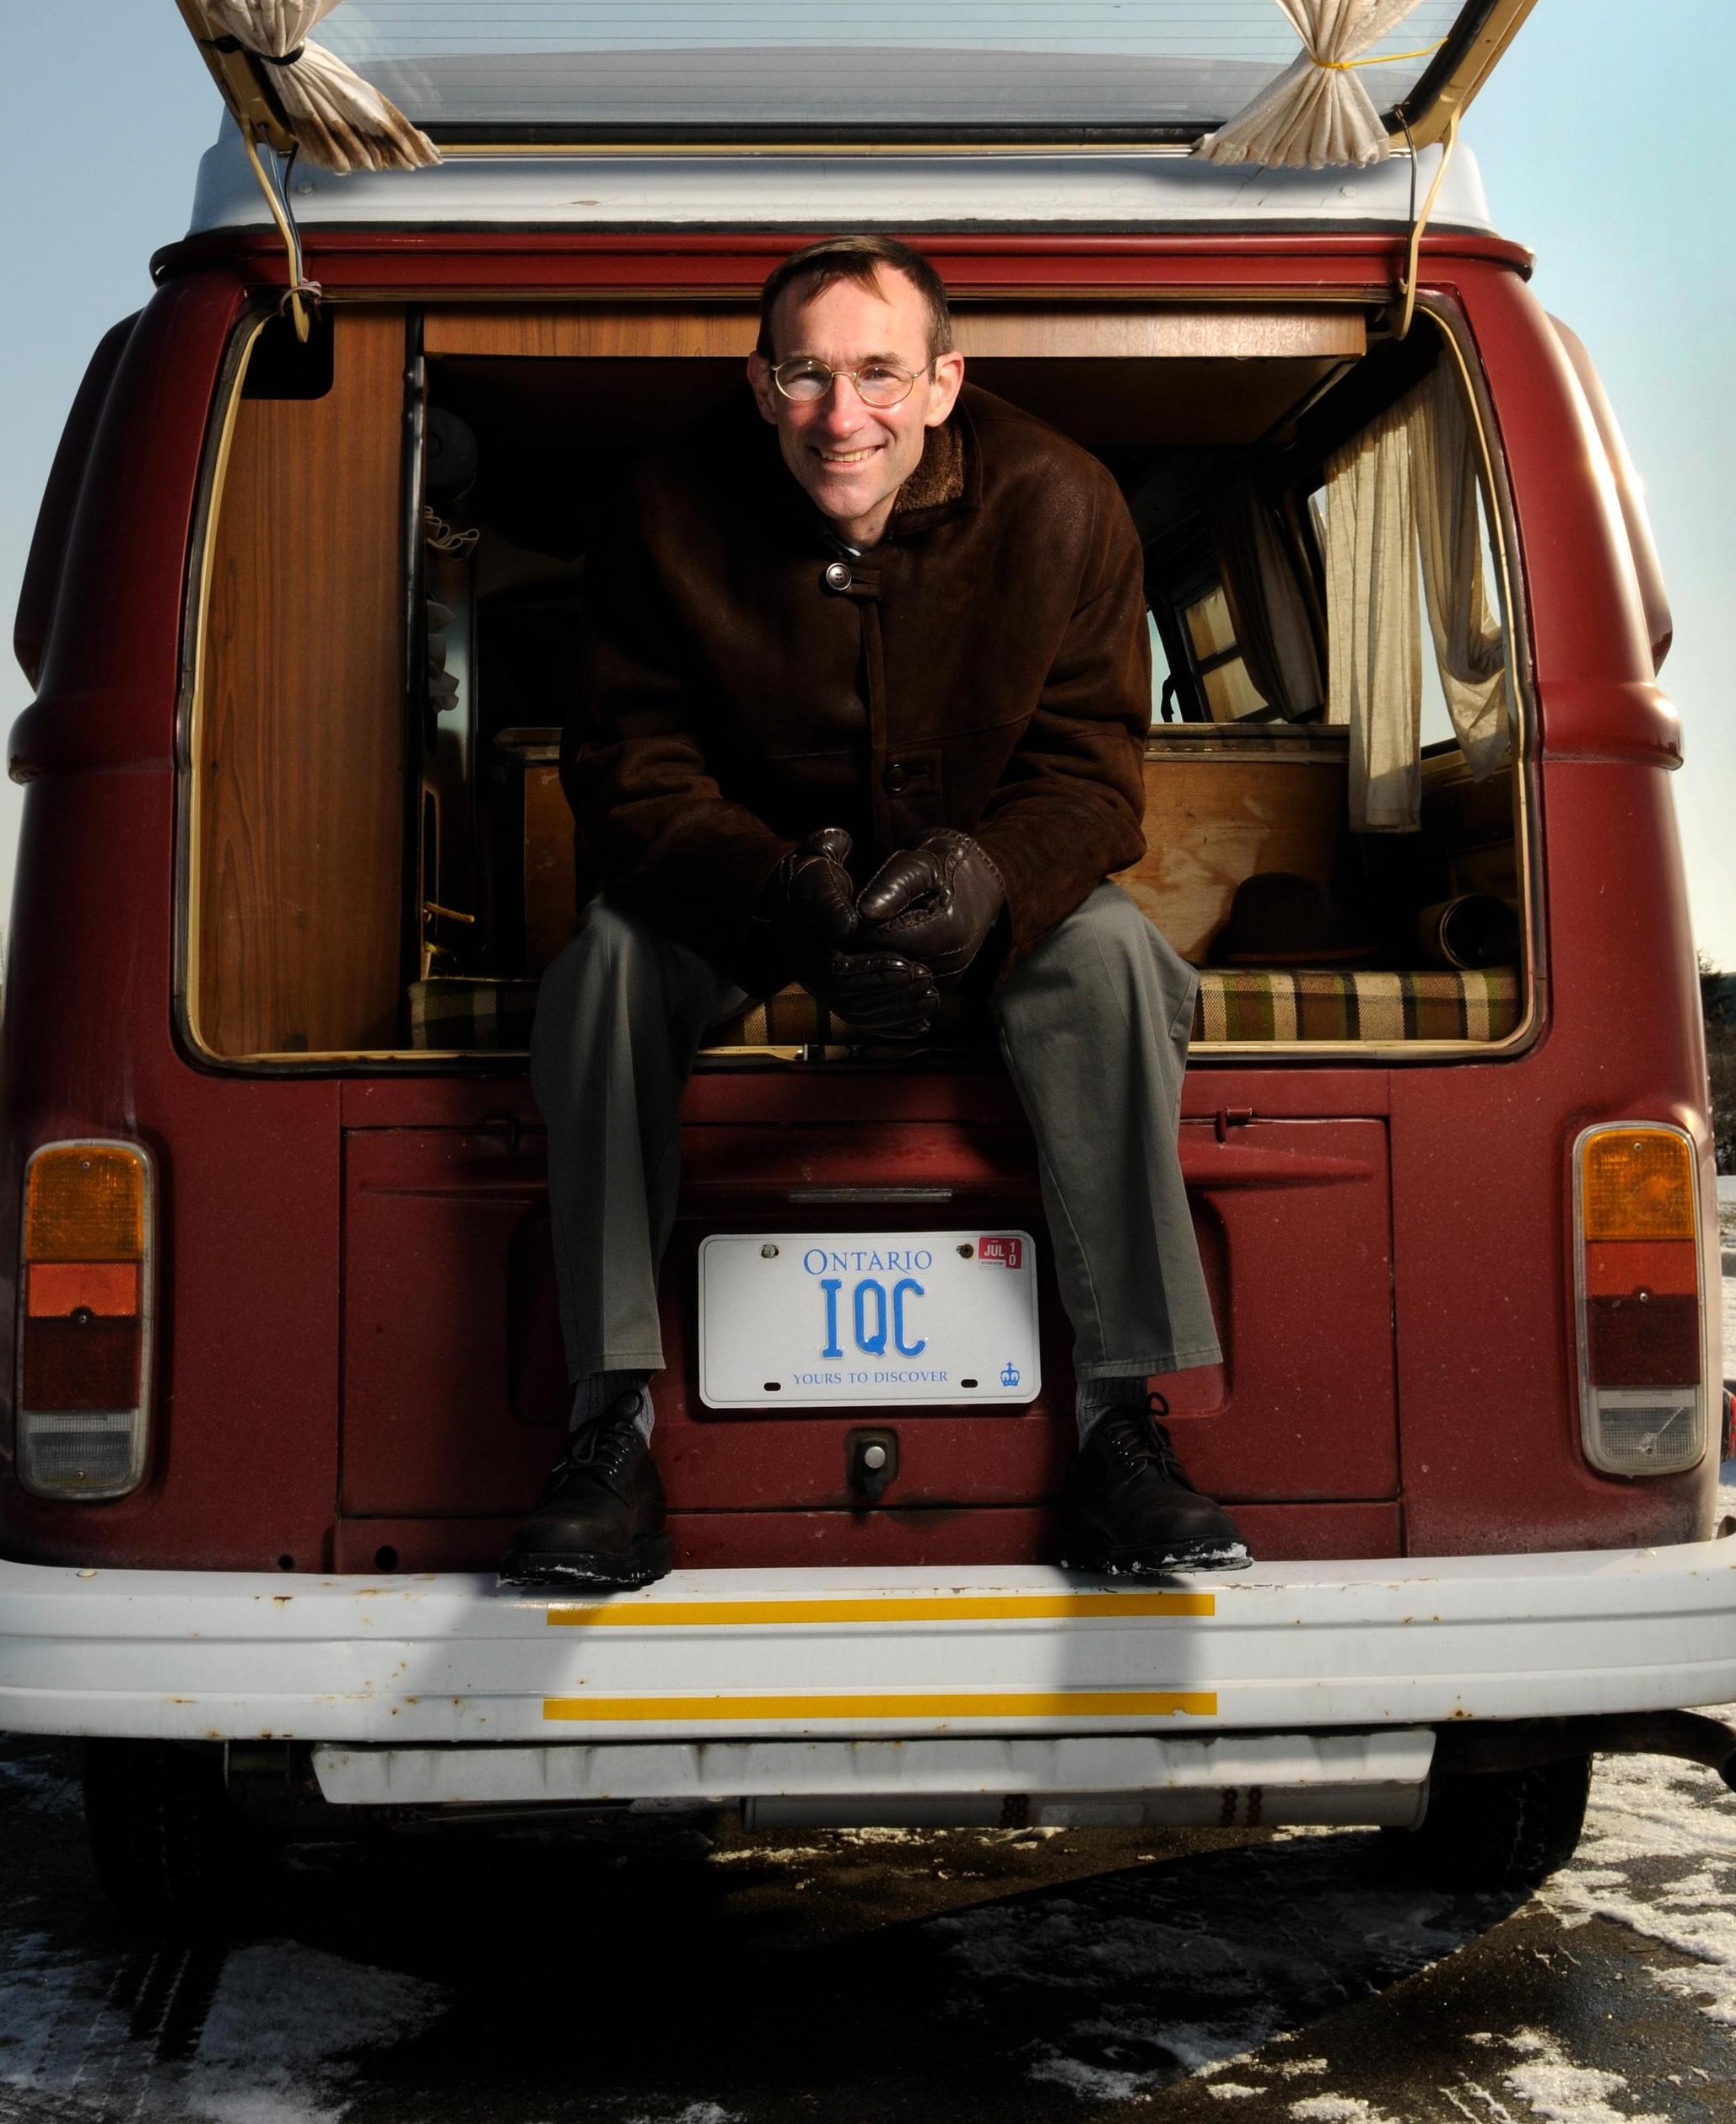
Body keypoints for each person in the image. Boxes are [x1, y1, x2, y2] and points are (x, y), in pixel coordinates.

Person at [501, 236, 1250, 1589]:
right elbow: (627, 773)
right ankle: (608, 1418)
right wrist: (779, 895)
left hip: (998, 897)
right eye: (805, 374)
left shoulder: (1069, 503)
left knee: (1120, 966)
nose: (841, 416)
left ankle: (1120, 1420)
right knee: (602, 967)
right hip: (737, 897)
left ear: (944, 381)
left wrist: (984, 884)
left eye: (877, 374)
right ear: (759, 381)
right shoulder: (660, 510)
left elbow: (1088, 776)